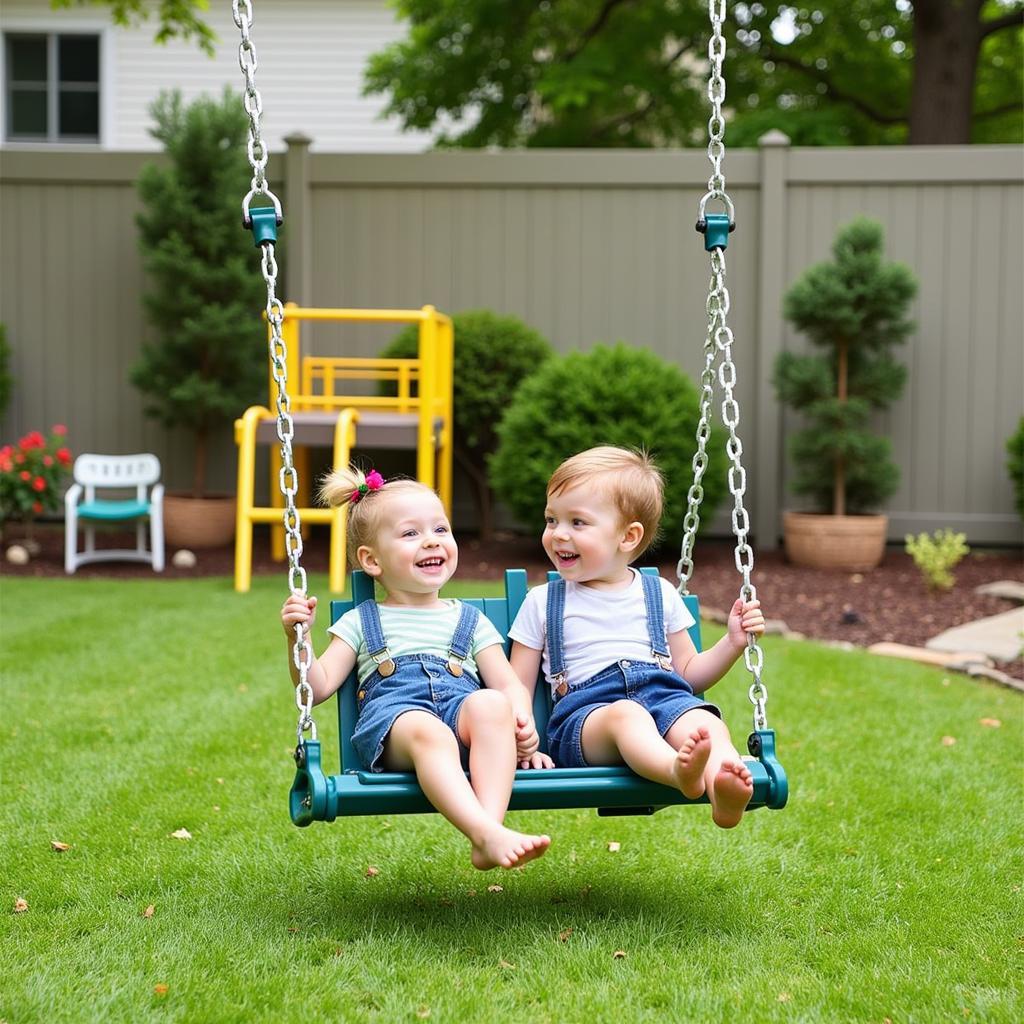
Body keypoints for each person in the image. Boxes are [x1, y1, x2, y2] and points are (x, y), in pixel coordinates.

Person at [281, 466, 551, 869]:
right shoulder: (361, 621)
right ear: (372, 561)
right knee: (429, 732)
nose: (431, 542)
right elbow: (316, 687)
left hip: (460, 721)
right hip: (398, 726)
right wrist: (297, 638)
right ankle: (486, 833)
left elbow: (508, 685)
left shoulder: (471, 620)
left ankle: (488, 831)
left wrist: (522, 724)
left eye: (441, 529)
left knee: (492, 704)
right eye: (411, 534)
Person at [508, 446, 765, 829]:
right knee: (627, 716)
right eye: (551, 520)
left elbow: (689, 674)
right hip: (586, 719)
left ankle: (724, 788)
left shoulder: (658, 593)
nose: (558, 534)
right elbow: (516, 687)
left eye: (577, 522)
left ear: (628, 537)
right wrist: (521, 739)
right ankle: (678, 774)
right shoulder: (542, 602)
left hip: (663, 697)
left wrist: (731, 643)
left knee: (704, 725)